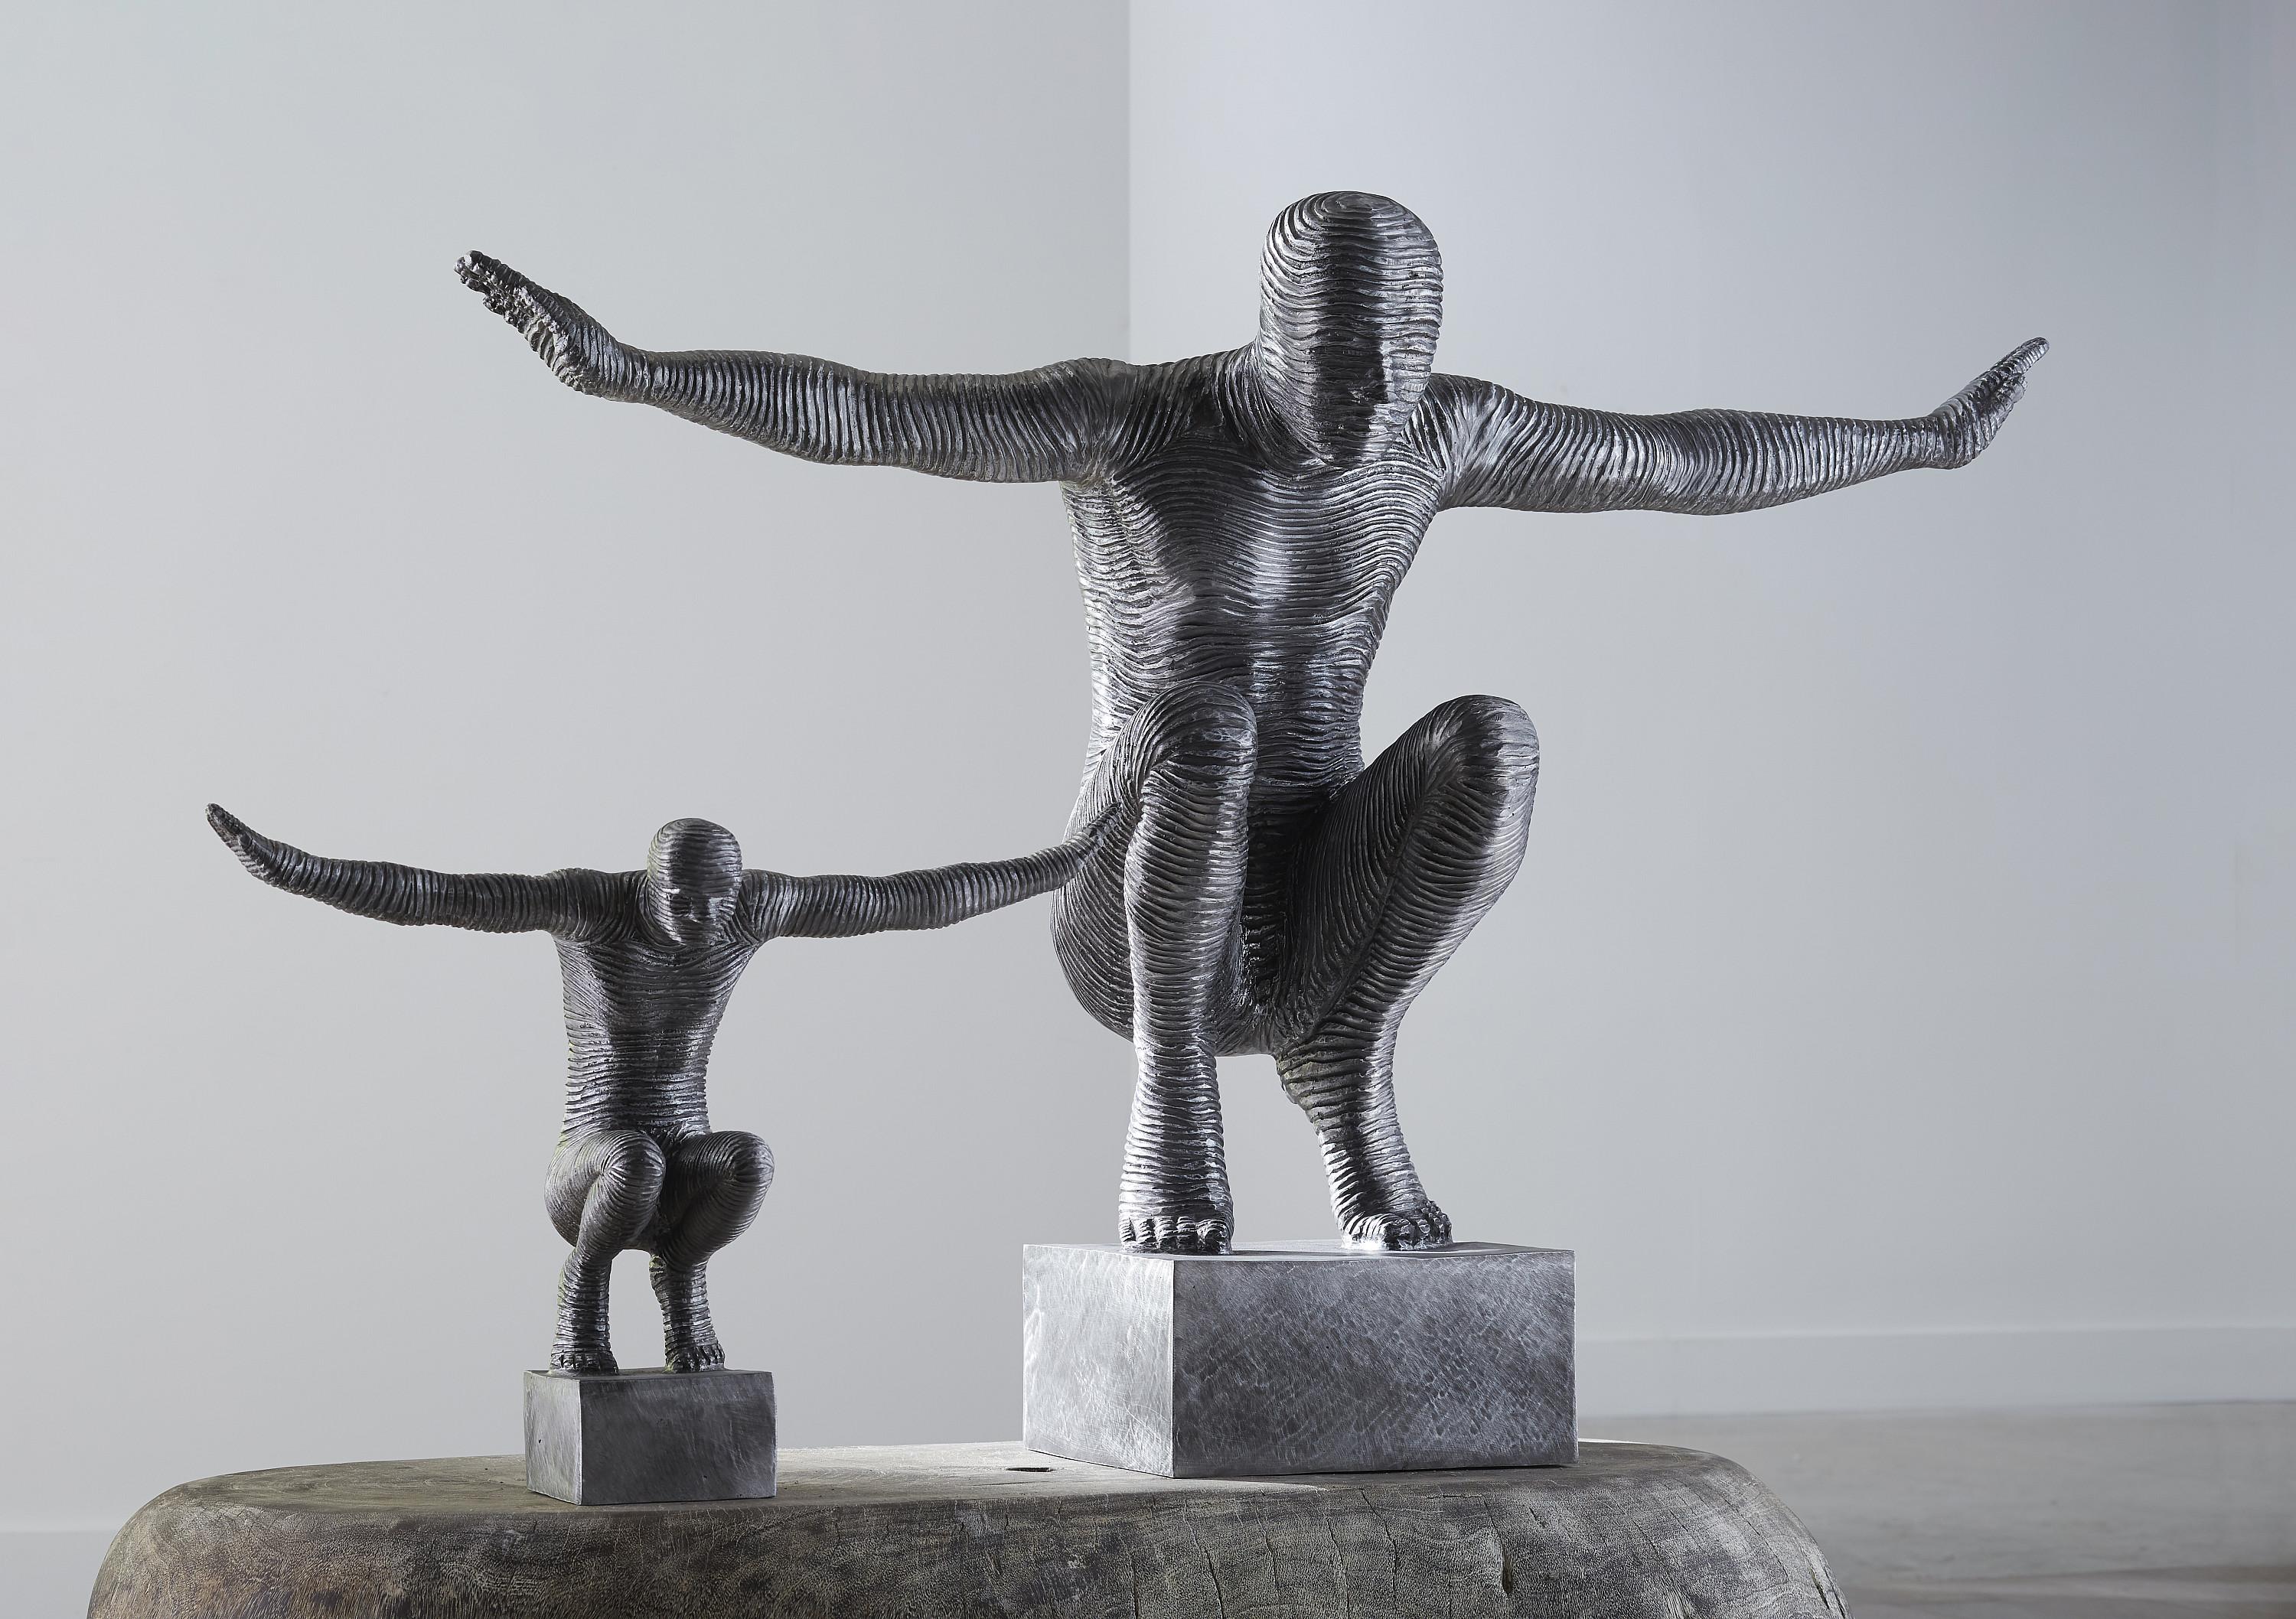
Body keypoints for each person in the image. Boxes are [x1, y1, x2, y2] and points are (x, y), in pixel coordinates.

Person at [457, 191, 2043, 1255]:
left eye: (1401, 359)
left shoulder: (1438, 432)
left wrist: (1921, 440)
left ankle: (1346, 1058)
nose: (1369, 394)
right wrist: (631, 370)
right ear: (1271, 332)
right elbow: (868, 411)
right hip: (1129, 912)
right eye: (1339, 359)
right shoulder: (1134, 418)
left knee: (1493, 742)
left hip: (1315, 912)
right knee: (1208, 719)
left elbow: (1680, 458)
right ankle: (1175, 1106)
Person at [209, 803, 1096, 1370]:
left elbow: (911, 898)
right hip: (589, 1172)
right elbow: (440, 894)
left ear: (737, 888)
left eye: (718, 901)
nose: (703, 919)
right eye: (682, 900)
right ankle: (583, 1294)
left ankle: (683, 1280)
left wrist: (1067, 863)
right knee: (634, 1154)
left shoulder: (755, 909)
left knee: (748, 1159)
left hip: (679, 1176)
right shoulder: (589, 905)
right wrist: (296, 869)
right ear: (649, 884)